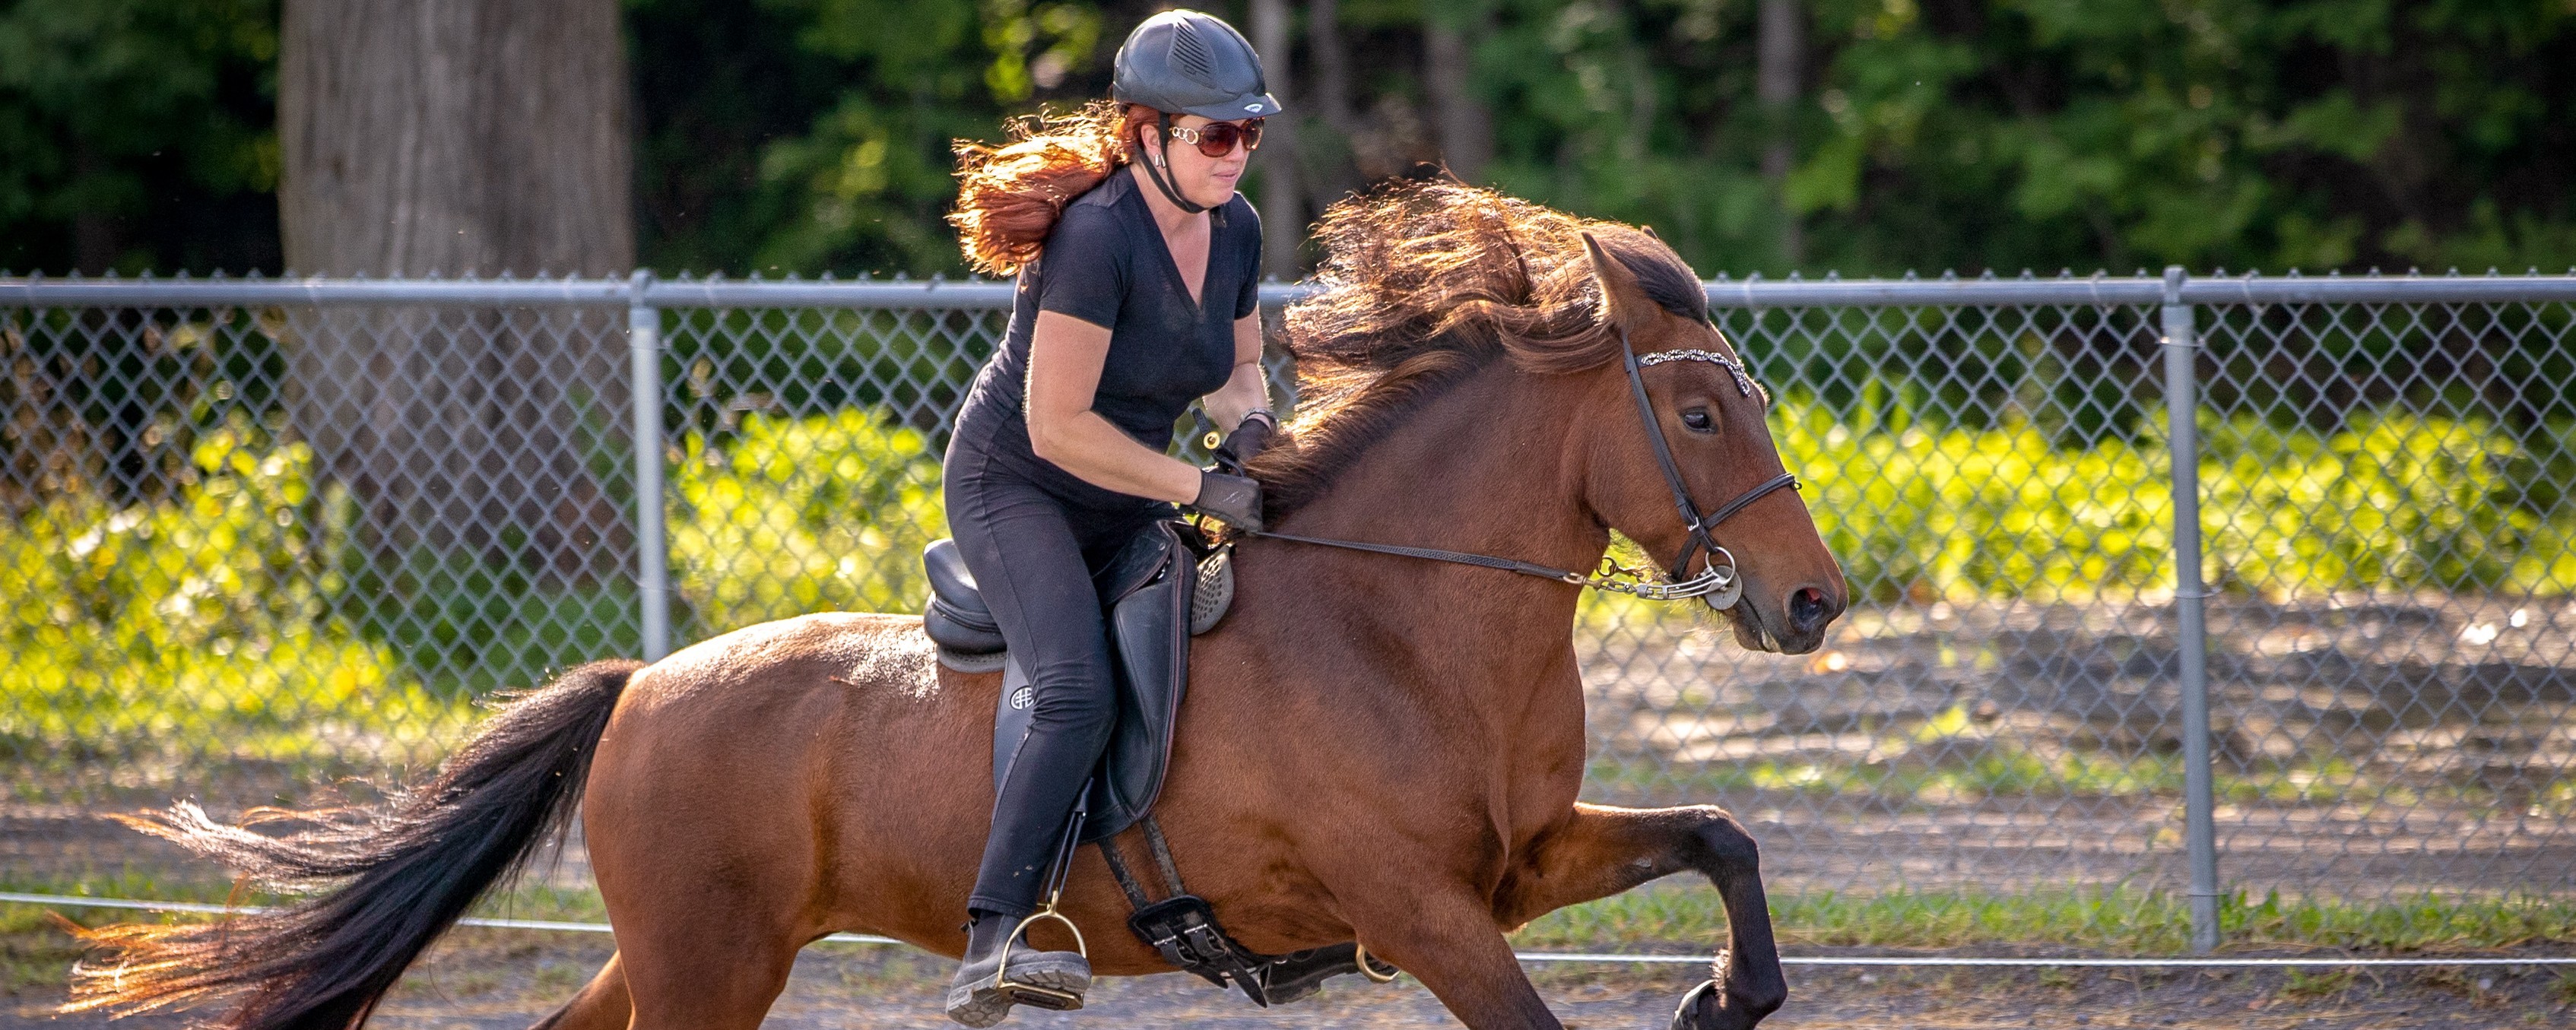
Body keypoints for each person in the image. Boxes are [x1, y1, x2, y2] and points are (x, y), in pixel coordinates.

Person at [935, 9, 1279, 1026]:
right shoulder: (1096, 236)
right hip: (1020, 486)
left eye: (1250, 133)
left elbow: (1240, 370)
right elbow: (1056, 427)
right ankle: (992, 936)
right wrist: (1201, 487)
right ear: (1146, 134)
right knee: (1077, 689)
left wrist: (1256, 432)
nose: (1236, 154)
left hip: (1126, 486)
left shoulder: (1240, 229)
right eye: (1215, 135)